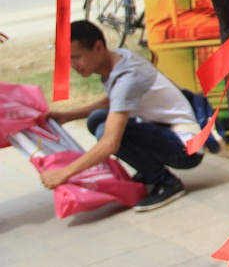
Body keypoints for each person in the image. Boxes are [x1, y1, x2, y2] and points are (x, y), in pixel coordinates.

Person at [41, 20, 204, 211]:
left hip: (186, 148)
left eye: (76, 57)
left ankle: (165, 182)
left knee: (105, 131)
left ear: (98, 47)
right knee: (97, 119)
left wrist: (64, 173)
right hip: (167, 132)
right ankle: (149, 170)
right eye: (68, 59)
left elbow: (110, 144)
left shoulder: (127, 77)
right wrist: (68, 116)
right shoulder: (119, 58)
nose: (73, 65)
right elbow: (115, 100)